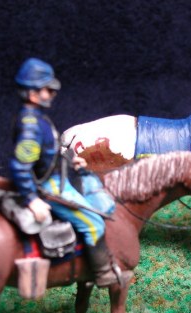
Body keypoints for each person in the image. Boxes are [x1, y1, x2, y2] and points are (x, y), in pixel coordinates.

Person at [9, 57, 118, 287]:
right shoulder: (30, 126)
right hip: (48, 187)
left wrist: (70, 159)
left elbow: (47, 152)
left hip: (60, 176)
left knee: (100, 199)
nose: (52, 93)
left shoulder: (38, 118)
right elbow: (20, 167)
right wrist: (32, 200)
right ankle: (101, 273)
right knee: (94, 224)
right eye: (47, 89)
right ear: (32, 94)